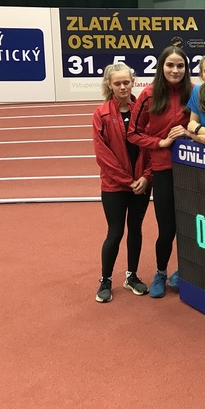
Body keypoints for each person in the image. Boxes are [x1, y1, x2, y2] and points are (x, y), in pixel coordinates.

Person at [128, 46, 192, 298]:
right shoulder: (149, 94)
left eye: (180, 66)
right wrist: (160, 143)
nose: (175, 70)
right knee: (167, 230)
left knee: (191, 227)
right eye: (170, 65)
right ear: (161, 67)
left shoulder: (194, 93)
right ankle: (161, 273)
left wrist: (189, 133)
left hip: (191, 169)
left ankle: (186, 272)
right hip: (163, 170)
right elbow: (133, 133)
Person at [92, 63, 152, 303]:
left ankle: (131, 276)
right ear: (109, 85)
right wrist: (128, 181)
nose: (123, 87)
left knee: (135, 229)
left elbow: (151, 147)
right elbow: (103, 155)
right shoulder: (102, 114)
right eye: (117, 83)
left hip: (141, 184)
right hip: (115, 186)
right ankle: (106, 279)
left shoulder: (143, 111)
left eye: (126, 82)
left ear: (133, 82)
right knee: (115, 232)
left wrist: (146, 176)